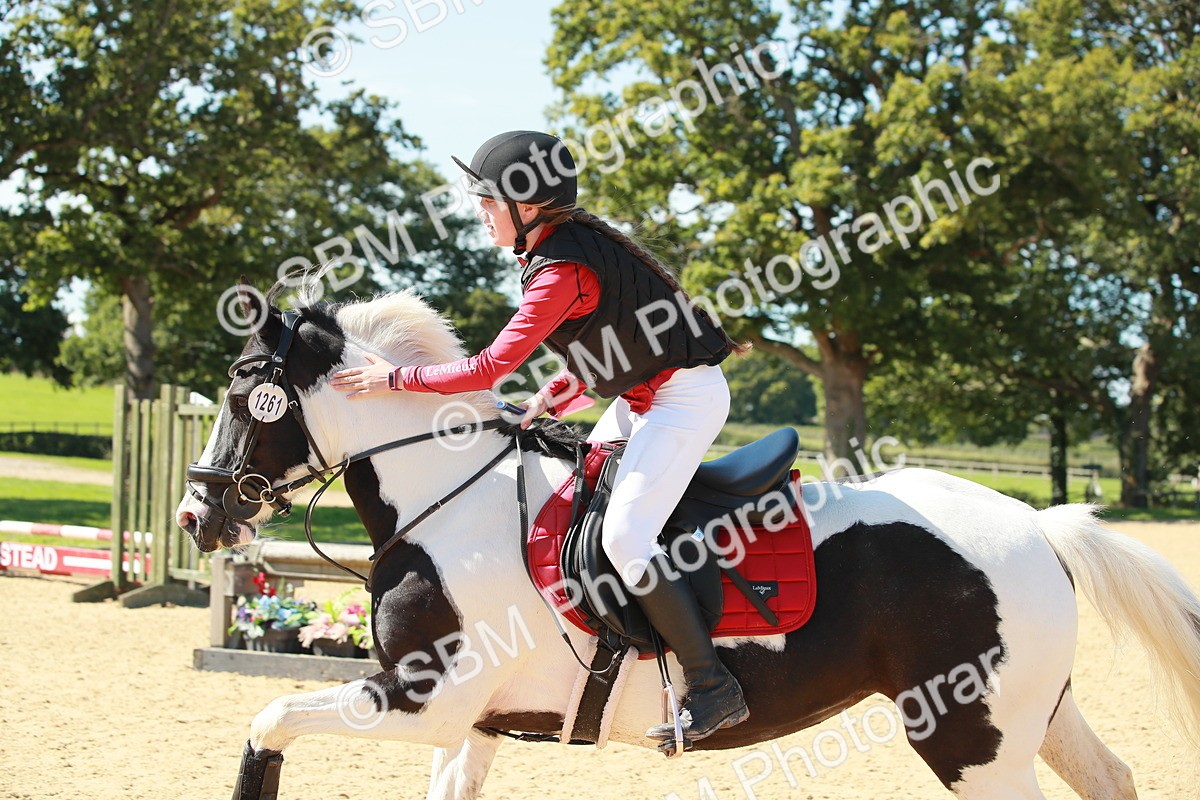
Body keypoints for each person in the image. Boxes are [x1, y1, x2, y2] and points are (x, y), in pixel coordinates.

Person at [329, 130, 750, 744]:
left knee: (626, 535)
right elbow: (614, 346)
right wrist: (550, 397)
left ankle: (713, 685)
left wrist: (393, 379)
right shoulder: (558, 251)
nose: (480, 210)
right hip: (644, 398)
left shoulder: (561, 269)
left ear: (527, 206)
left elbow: (486, 369)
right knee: (578, 504)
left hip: (683, 401)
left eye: (489, 200)